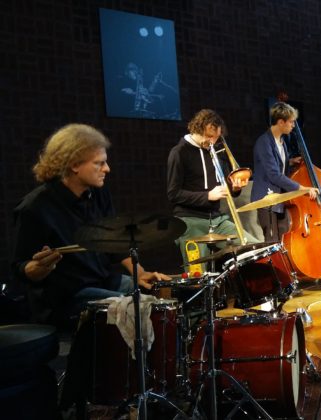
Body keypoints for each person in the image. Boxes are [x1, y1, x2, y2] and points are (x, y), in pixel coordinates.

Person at [10, 124, 170, 327]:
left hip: (103, 281)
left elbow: (116, 240)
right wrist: (40, 268)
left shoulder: (99, 194)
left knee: (161, 292)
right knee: (136, 308)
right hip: (66, 297)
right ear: (75, 165)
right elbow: (20, 268)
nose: (107, 169)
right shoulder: (34, 208)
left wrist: (140, 272)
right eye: (99, 163)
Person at [167, 109, 259, 266]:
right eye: (209, 137)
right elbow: (173, 194)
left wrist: (235, 188)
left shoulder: (215, 152)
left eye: (216, 138)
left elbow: (226, 188)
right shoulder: (179, 152)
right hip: (190, 221)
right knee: (198, 271)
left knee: (254, 248)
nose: (212, 142)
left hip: (218, 220)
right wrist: (207, 196)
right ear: (197, 128)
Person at [250, 101, 318, 242]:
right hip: (267, 199)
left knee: (283, 241)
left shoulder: (282, 142)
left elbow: (278, 164)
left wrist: (290, 162)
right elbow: (274, 174)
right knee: (272, 242)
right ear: (281, 122)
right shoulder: (264, 142)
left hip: (280, 198)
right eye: (291, 122)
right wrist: (302, 189)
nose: (293, 125)